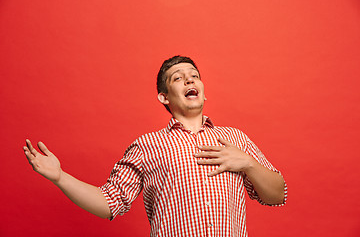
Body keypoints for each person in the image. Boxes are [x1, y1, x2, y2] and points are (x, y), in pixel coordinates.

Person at [23, 55, 287, 237]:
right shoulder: (147, 145)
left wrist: (248, 163)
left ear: (204, 91)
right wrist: (60, 177)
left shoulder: (235, 138)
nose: (189, 80)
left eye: (194, 76)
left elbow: (277, 195)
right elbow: (109, 202)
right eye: (178, 78)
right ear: (164, 96)